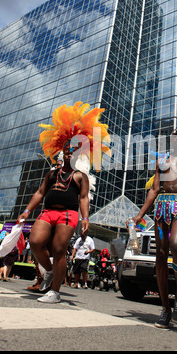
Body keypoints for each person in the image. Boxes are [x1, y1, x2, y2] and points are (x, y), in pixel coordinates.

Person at [17, 102, 110, 303]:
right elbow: (40, 193)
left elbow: (84, 198)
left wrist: (85, 218)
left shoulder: (80, 177)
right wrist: (26, 210)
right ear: (63, 152)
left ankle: (55, 292)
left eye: (74, 151)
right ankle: (49, 271)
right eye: (67, 150)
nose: (70, 154)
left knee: (59, 250)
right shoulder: (51, 173)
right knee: (35, 241)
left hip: (68, 215)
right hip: (47, 213)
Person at [130, 128, 177, 328]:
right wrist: (139, 215)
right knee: (161, 255)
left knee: (175, 244)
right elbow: (154, 189)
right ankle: (165, 308)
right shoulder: (161, 161)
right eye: (174, 135)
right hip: (162, 206)